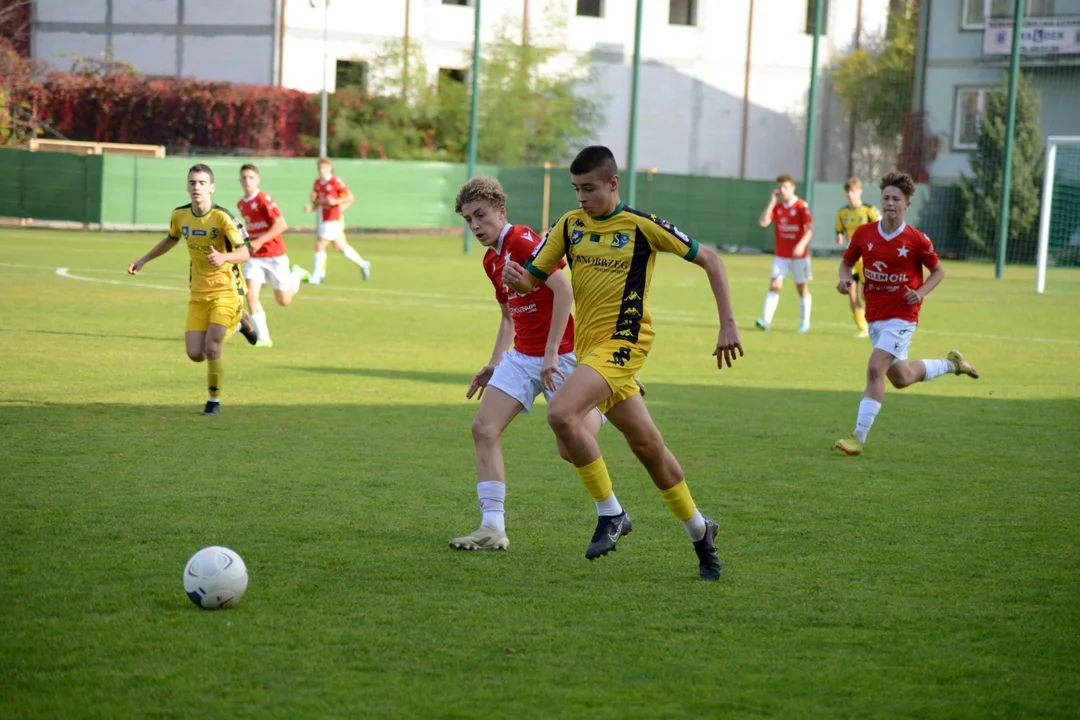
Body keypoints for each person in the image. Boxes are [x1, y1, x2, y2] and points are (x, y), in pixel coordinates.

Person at [503, 145, 743, 581]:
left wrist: (727, 322)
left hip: (625, 344)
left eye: (589, 188)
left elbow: (711, 259)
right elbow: (532, 280)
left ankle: (611, 514)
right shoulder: (569, 226)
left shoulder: (641, 226)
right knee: (648, 448)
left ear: (613, 184)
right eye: (576, 189)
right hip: (592, 351)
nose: (581, 198)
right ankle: (700, 529)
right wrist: (515, 281)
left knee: (560, 413)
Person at [448, 176, 605, 551]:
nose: (475, 226)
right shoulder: (491, 260)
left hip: (561, 355)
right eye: (469, 219)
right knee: (484, 428)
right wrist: (494, 364)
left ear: (501, 211)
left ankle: (606, 396)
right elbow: (508, 318)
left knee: (570, 451)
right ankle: (492, 528)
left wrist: (551, 354)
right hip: (521, 357)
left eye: (481, 216)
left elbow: (563, 290)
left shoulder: (521, 240)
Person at [834, 171, 979, 456]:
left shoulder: (916, 240)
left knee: (875, 368)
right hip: (876, 316)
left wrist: (921, 292)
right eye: (886, 198)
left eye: (896, 199)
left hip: (903, 316)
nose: (890, 203)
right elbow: (846, 263)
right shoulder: (865, 233)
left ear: (906, 204)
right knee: (901, 378)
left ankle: (858, 437)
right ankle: (952, 364)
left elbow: (938, 271)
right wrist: (845, 279)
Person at [127, 164, 257, 415]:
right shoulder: (180, 215)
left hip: (227, 291)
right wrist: (143, 260)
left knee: (212, 347)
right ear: (187, 186)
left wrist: (224, 258)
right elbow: (170, 239)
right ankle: (241, 324)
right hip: (198, 293)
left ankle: (213, 401)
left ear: (212, 187)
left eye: (201, 183)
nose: (196, 187)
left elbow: (247, 252)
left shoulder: (222, 217)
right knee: (195, 353)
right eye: (192, 183)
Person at [237, 163, 311, 347]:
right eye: (244, 177)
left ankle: (297, 274)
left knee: (283, 300)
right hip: (255, 257)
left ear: (258, 179)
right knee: (251, 294)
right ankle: (264, 338)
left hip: (274, 255)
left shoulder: (264, 199)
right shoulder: (242, 203)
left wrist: (260, 240)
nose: (247, 181)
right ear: (240, 180)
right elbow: (252, 227)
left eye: (251, 177)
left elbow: (281, 224)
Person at [755, 173, 814, 333]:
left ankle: (804, 322)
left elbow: (810, 229)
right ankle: (765, 321)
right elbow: (763, 222)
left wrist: (801, 245)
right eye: (780, 187)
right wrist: (772, 202)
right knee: (774, 285)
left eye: (786, 187)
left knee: (801, 288)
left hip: (799, 257)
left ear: (793, 188)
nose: (783, 190)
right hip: (781, 255)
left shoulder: (801, 206)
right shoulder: (778, 207)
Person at [303, 157, 371, 284]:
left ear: (329, 168)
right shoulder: (317, 183)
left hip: (334, 218)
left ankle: (317, 276)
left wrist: (336, 202)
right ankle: (363, 264)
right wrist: (311, 207)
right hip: (325, 219)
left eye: (324, 168)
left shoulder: (335, 181)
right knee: (340, 247)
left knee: (320, 245)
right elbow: (318, 202)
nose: (321, 171)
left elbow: (350, 197)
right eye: (319, 168)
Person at [834, 177, 880, 338]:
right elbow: (839, 230)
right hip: (851, 258)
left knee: (866, 294)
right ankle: (862, 328)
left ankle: (875, 322)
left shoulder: (869, 210)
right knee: (851, 291)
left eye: (853, 191)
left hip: (868, 257)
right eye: (848, 192)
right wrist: (839, 236)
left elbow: (880, 228)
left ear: (860, 191)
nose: (850, 195)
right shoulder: (842, 213)